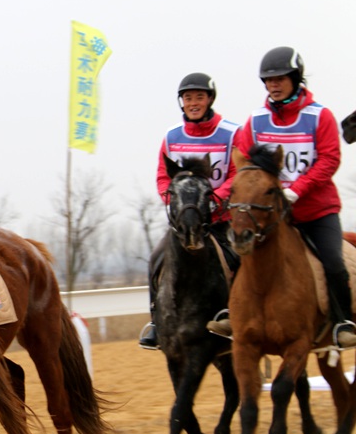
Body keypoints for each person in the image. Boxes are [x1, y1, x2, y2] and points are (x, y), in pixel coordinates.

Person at [205, 47, 356, 349]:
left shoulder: (319, 116)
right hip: (269, 212)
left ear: (295, 79)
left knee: (333, 262)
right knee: (237, 254)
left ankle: (341, 321)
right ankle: (232, 314)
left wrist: (297, 189)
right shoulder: (257, 120)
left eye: (279, 79)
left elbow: (329, 160)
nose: (273, 85)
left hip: (315, 210)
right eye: (268, 80)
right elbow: (243, 161)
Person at [139, 72, 240, 350]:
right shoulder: (171, 136)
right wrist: (172, 200)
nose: (193, 103)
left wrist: (216, 199)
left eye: (199, 97)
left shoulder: (232, 133)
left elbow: (236, 172)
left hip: (221, 220)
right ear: (181, 103)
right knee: (156, 260)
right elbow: (163, 176)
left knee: (238, 258)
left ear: (210, 100)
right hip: (186, 222)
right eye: (188, 98)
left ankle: (237, 314)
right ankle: (157, 323)